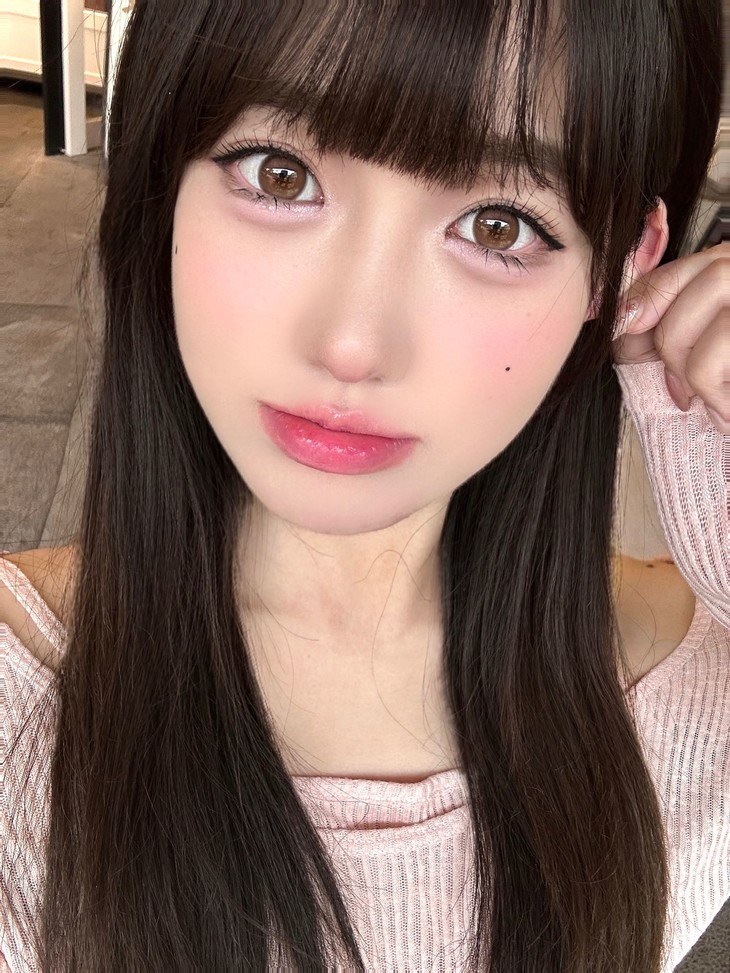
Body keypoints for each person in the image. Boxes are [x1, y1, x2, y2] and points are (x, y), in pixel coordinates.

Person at [0, 1, 727, 970]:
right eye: (280, 174)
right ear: (160, 171)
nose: (352, 342)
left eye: (498, 224)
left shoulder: (687, 699)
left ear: (623, 267)